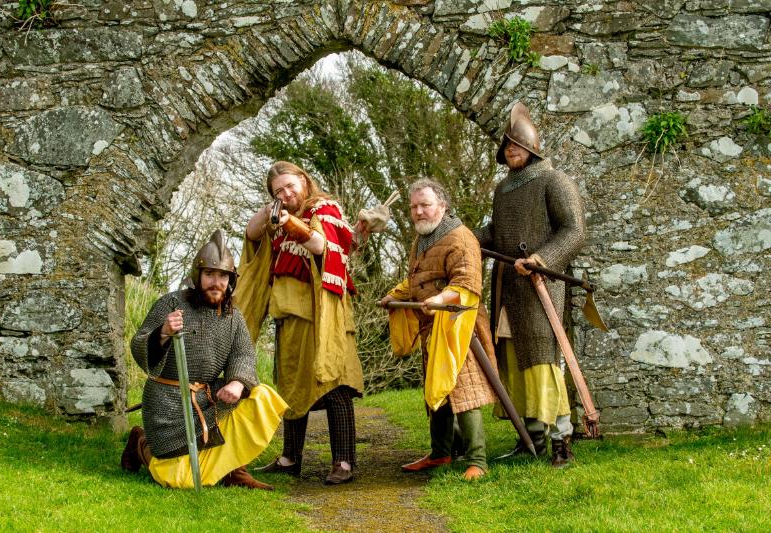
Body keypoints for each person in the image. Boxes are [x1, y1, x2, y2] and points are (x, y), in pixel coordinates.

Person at [120, 230, 288, 489]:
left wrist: (237, 383)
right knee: (176, 480)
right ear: (197, 276)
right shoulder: (171, 303)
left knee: (261, 397)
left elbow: (243, 354)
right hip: (169, 403)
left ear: (231, 280)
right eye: (210, 274)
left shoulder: (233, 316)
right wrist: (163, 332)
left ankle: (233, 470)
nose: (216, 282)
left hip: (209, 397)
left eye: (223, 276)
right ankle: (140, 443)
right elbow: (138, 345)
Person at [236, 161, 364, 485]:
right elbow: (251, 235)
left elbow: (322, 247)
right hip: (290, 318)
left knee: (334, 384)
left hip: (324, 316)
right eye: (278, 191)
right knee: (291, 388)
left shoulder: (325, 207)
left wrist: (290, 222)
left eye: (290, 186)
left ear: (304, 181)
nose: (286, 193)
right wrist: (270, 212)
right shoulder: (277, 219)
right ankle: (290, 458)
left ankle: (344, 462)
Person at [474, 101, 586, 468]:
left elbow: (573, 231)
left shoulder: (556, 181)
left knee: (543, 363)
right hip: (508, 287)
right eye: (506, 146)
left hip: (540, 287)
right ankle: (531, 438)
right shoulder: (503, 190)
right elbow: (497, 234)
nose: (510, 150)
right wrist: (465, 240)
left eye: (516, 145)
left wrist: (542, 259)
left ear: (532, 146)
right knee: (513, 363)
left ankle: (561, 441)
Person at [381, 178, 497, 481]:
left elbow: (467, 282)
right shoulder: (421, 240)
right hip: (432, 325)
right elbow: (417, 280)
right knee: (438, 391)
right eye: (414, 207)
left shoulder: (461, 238)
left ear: (442, 206)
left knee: (462, 392)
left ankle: (478, 461)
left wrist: (440, 298)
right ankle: (440, 452)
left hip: (461, 326)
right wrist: (396, 295)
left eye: (425, 205)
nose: (419, 212)